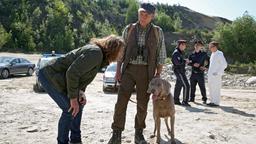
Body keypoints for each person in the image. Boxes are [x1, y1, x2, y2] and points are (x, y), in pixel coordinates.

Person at [38, 35, 124, 144]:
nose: (121, 55)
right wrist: (73, 98)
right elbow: (72, 73)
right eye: (121, 51)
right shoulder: (95, 54)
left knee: (79, 104)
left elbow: (83, 75)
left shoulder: (100, 57)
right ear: (114, 49)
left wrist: (81, 92)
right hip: (49, 75)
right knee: (69, 108)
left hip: (60, 79)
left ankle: (75, 140)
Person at [108, 3, 167, 144]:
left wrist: (158, 75)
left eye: (146, 14)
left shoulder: (158, 31)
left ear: (152, 16)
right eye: (141, 13)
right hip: (128, 70)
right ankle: (116, 134)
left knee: (142, 104)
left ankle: (138, 134)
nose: (142, 16)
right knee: (121, 102)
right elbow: (121, 52)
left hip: (147, 72)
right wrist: (118, 71)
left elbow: (161, 55)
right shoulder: (129, 29)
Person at [207, 41, 227, 107]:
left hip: (216, 75)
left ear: (215, 47)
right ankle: (212, 101)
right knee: (211, 88)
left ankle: (216, 102)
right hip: (210, 75)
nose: (210, 48)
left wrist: (218, 73)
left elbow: (224, 64)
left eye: (211, 46)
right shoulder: (213, 54)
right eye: (209, 47)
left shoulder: (219, 53)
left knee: (216, 89)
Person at [172, 40, 191, 106]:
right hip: (179, 71)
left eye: (184, 45)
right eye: (182, 45)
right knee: (186, 85)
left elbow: (180, 61)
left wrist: (184, 61)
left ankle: (176, 100)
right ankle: (185, 101)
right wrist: (185, 61)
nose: (183, 46)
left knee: (178, 85)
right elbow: (177, 62)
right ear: (179, 45)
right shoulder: (176, 53)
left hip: (180, 71)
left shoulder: (180, 52)